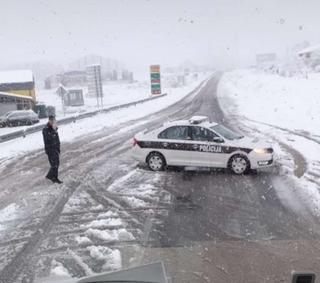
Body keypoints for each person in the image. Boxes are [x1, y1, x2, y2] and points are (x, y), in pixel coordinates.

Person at [42, 115, 63, 184]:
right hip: (50, 149)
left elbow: (57, 139)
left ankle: (53, 177)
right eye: (52, 120)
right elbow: (49, 138)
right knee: (54, 164)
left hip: (55, 148)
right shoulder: (46, 129)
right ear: (49, 120)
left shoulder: (54, 128)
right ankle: (51, 177)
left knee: (57, 164)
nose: (53, 122)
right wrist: (54, 130)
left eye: (54, 120)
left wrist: (58, 147)